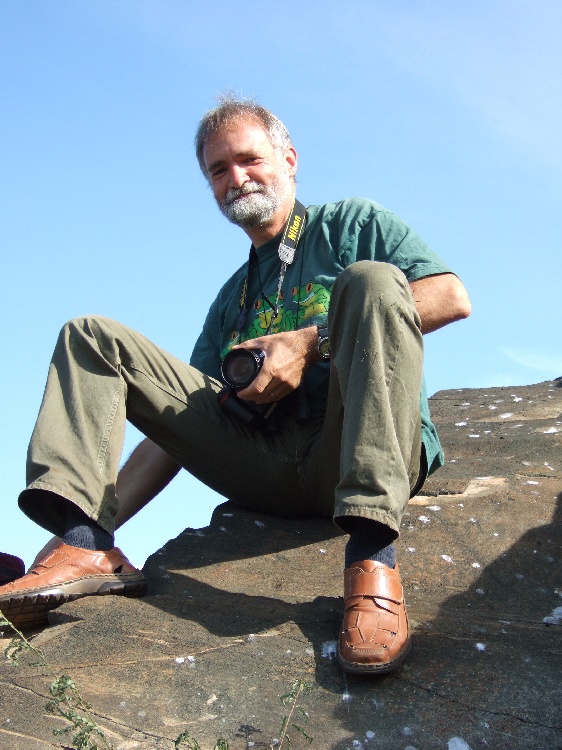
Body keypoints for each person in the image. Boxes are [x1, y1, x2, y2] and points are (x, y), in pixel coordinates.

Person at [0, 97, 471, 675]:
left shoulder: (351, 225)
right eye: (218, 170)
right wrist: (92, 529)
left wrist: (308, 343)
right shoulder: (230, 298)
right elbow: (179, 427)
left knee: (371, 281)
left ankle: (372, 560)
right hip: (268, 471)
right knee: (90, 336)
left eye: (249, 159)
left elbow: (450, 296)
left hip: (354, 450)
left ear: (289, 159)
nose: (236, 178)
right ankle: (85, 545)